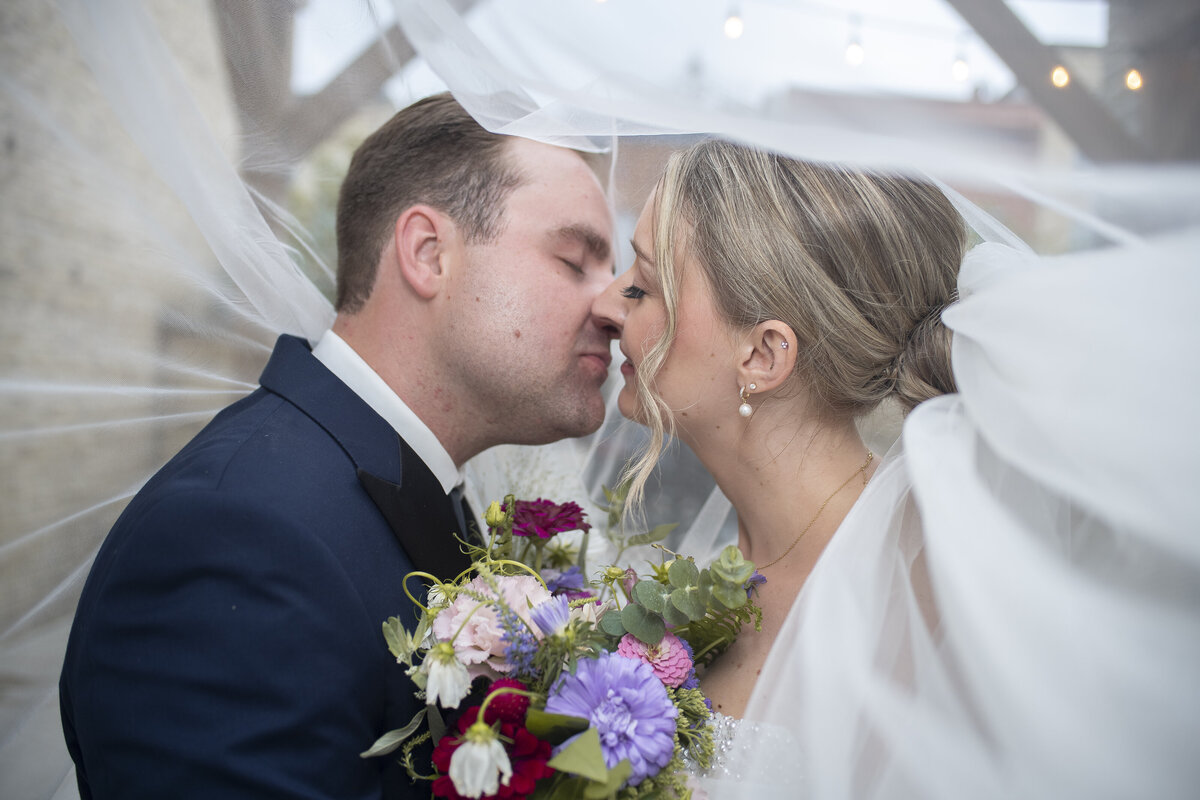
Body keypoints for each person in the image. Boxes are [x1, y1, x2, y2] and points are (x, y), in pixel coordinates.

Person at [592, 139, 1200, 798]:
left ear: (764, 354)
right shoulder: (695, 577)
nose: (606, 304)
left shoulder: (936, 588)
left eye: (643, 285)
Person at [58, 92, 616, 799]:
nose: (613, 304)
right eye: (575, 261)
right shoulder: (238, 538)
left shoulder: (402, 488)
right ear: (427, 253)